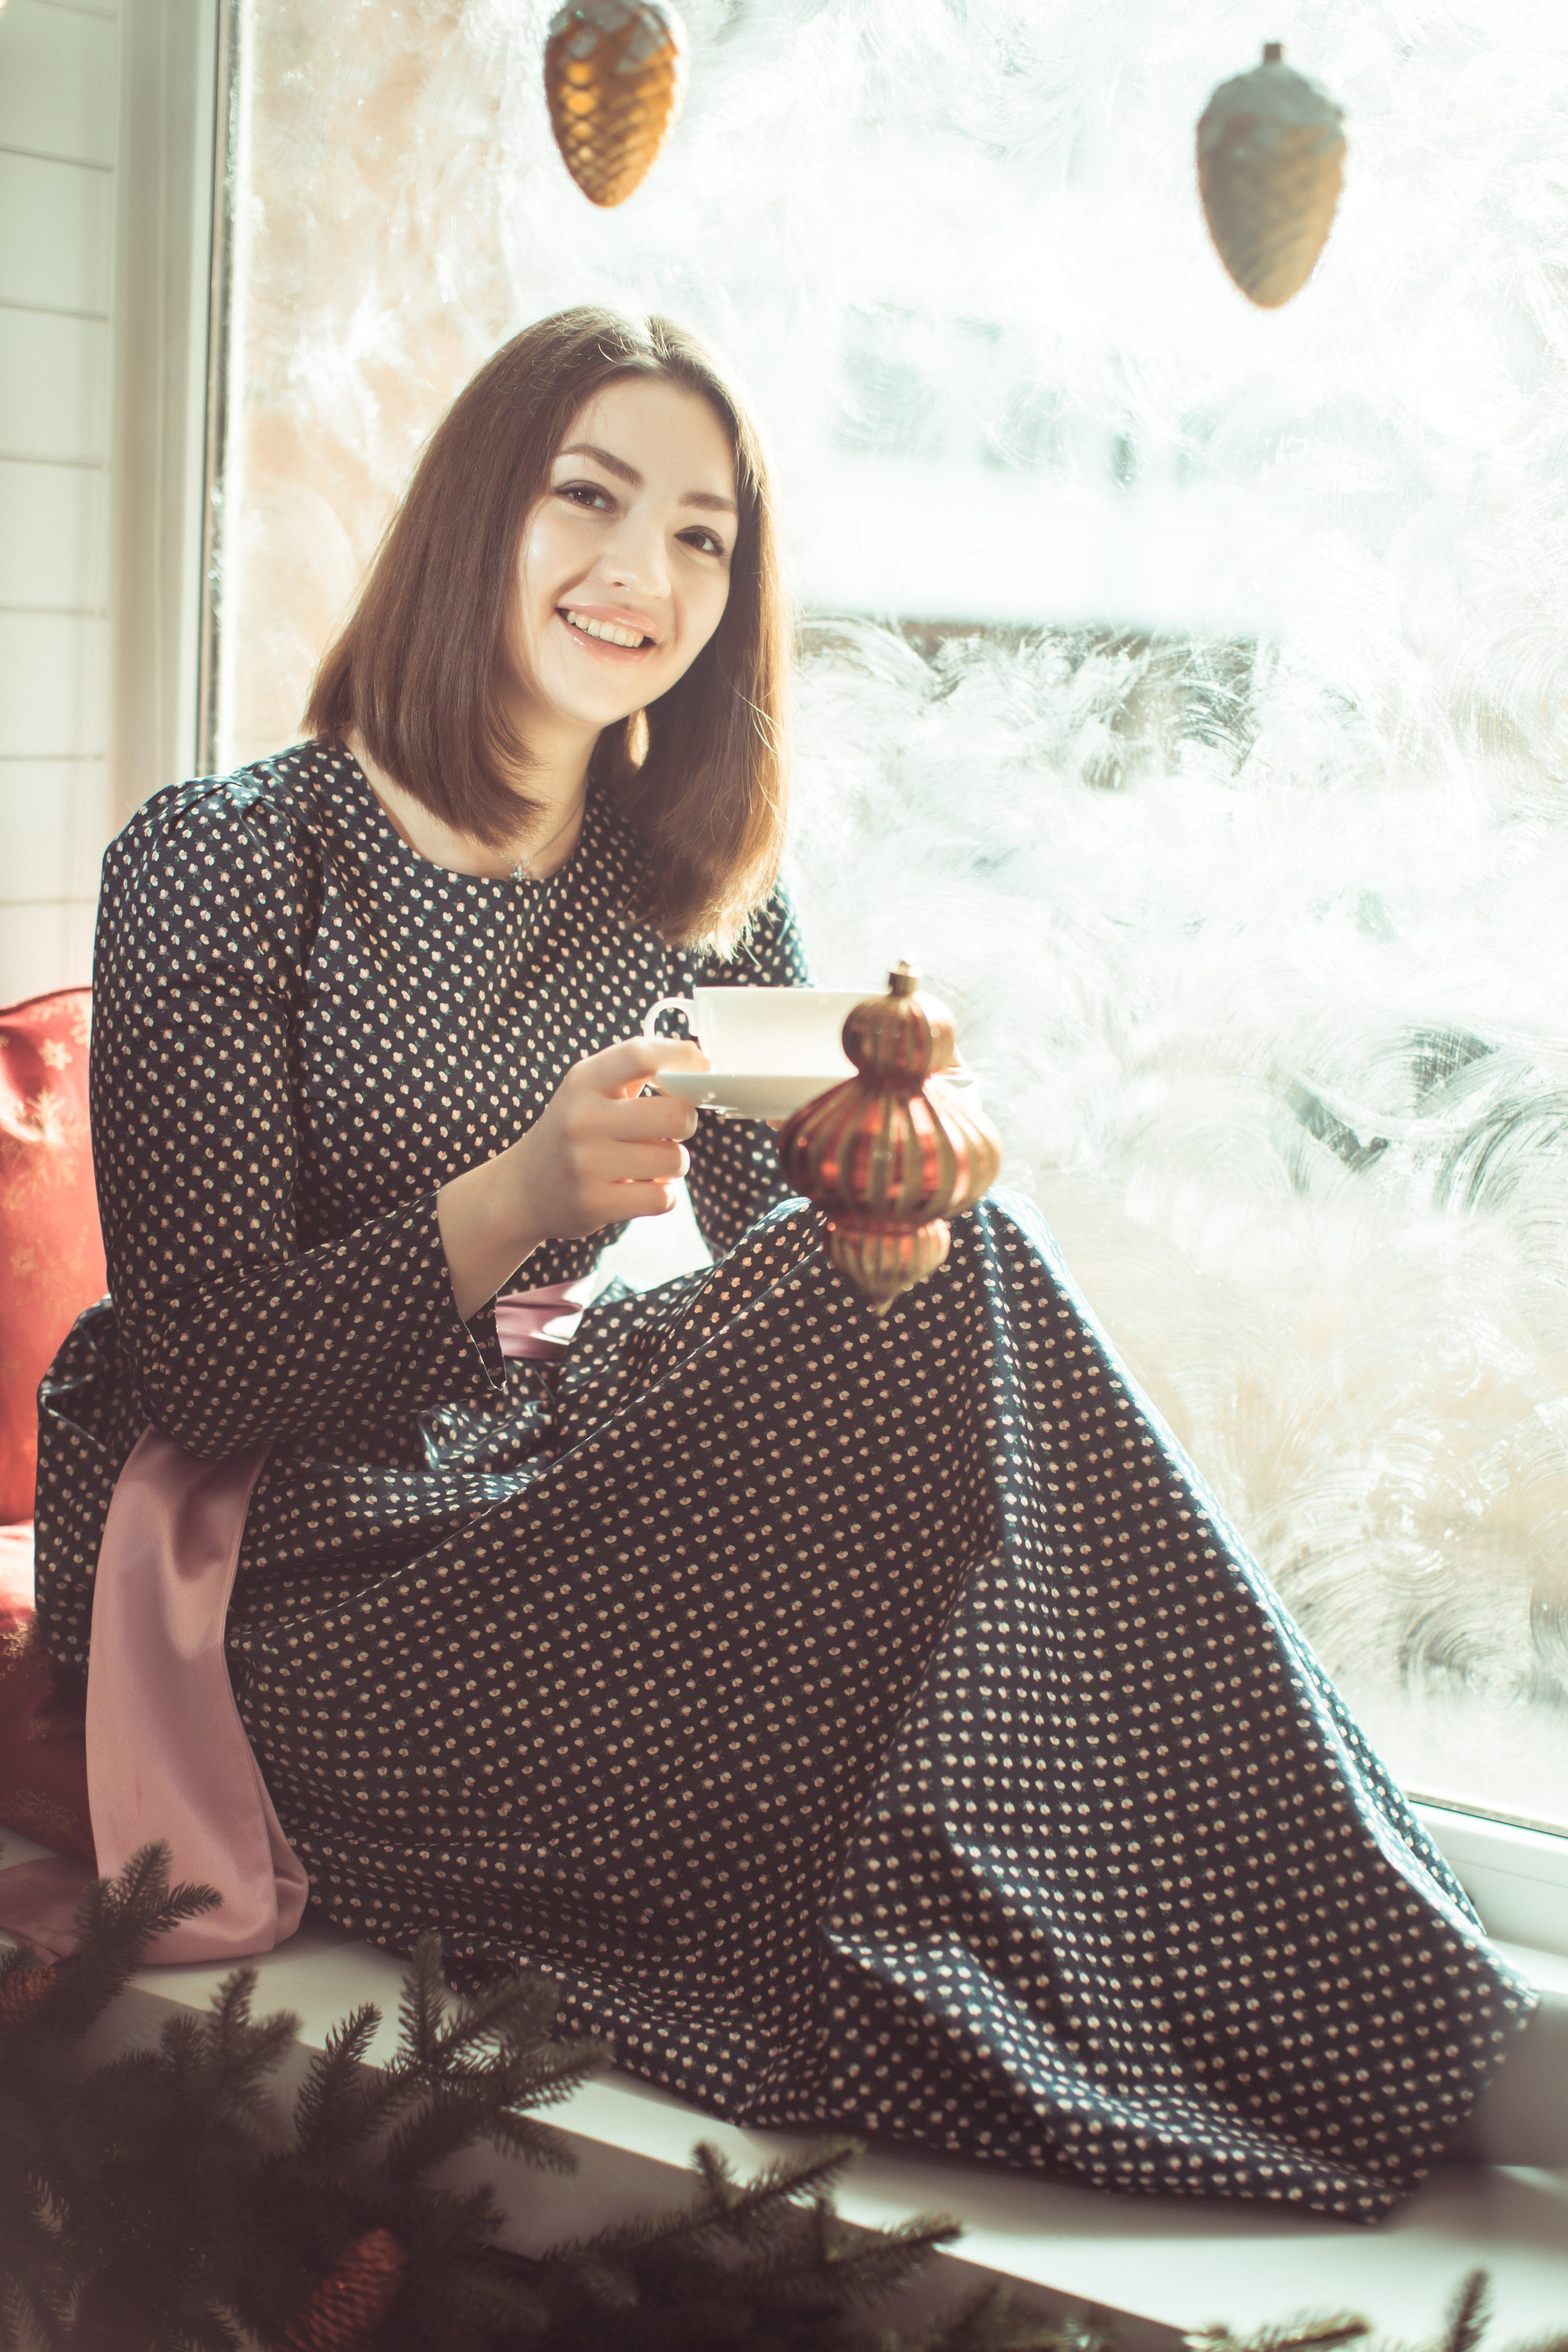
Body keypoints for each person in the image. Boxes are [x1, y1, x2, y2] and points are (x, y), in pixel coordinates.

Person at [33, 306, 1530, 2222]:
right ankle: (1433, 2037)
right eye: (590, 499)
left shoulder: (685, 875)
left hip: (513, 1503)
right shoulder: (230, 856)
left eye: (701, 536)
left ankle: (1402, 2013)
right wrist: (519, 1193)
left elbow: (826, 1284)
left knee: (951, 1272)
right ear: (477, 513)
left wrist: (895, 1150)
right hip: (287, 1591)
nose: (641, 572)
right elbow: (205, 1368)